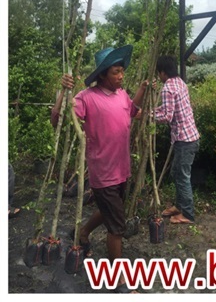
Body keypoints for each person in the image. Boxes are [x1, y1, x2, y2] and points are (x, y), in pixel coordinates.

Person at [52, 46, 147, 292]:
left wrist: (143, 90)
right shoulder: (86, 97)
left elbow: (133, 112)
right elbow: (57, 119)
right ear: (103, 74)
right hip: (103, 172)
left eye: (122, 71)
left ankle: (82, 232)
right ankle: (120, 281)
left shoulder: (122, 95)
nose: (121, 76)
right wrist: (63, 93)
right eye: (116, 72)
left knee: (109, 212)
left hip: (122, 168)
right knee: (117, 227)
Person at [153, 56, 200, 225]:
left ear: (163, 72)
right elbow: (168, 109)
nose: (159, 76)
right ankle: (180, 206)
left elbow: (166, 116)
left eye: (159, 73)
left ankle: (187, 214)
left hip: (184, 140)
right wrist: (152, 110)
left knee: (182, 176)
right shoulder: (180, 83)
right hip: (190, 137)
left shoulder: (167, 88)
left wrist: (147, 116)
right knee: (176, 173)